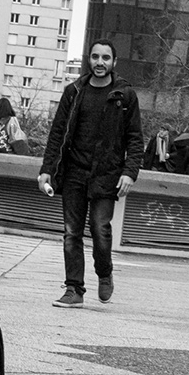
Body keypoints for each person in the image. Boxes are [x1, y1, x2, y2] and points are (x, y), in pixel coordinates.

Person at [38, 39, 143, 308]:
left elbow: (135, 139)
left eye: (105, 58)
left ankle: (104, 272)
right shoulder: (74, 91)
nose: (99, 62)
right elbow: (57, 133)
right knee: (71, 232)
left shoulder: (125, 95)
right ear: (89, 60)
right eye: (95, 57)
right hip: (74, 171)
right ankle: (74, 289)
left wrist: (129, 173)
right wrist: (47, 170)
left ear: (114, 62)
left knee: (100, 229)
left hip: (106, 174)